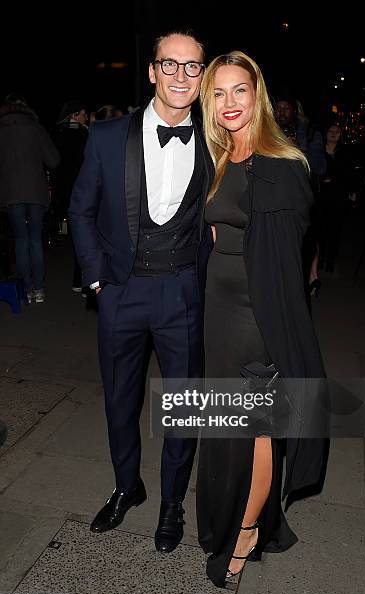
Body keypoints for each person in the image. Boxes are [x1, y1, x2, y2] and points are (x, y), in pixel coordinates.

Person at [69, 30, 213, 553]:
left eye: (191, 67)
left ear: (202, 78)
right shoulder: (106, 136)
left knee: (185, 405)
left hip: (183, 294)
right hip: (121, 293)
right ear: (152, 71)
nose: (180, 75)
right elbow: (80, 210)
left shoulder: (217, 140)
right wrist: (96, 277)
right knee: (119, 401)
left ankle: (173, 501)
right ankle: (128, 486)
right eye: (169, 65)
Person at [196, 51, 329, 588]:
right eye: (219, 93)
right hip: (219, 311)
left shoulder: (283, 164)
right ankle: (234, 520)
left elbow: (286, 265)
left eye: (239, 91)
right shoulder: (223, 154)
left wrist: (279, 337)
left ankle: (248, 531)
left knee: (256, 432)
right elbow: (218, 236)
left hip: (257, 317)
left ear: (259, 95)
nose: (229, 102)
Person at [0, 93, 60, 303]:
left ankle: (24, 289)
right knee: (35, 239)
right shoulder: (35, 128)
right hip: (35, 191)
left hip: (11, 193)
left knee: (20, 239)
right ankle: (39, 289)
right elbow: (53, 160)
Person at [54, 100, 89, 293]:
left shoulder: (58, 135)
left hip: (68, 193)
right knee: (86, 237)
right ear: (73, 116)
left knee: (78, 236)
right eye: (82, 113)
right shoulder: (85, 135)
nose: (85, 116)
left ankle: (79, 280)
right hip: (84, 193)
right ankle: (83, 281)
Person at [317, 122, 358, 274]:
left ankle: (330, 260)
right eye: (331, 130)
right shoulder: (318, 150)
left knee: (335, 231)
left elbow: (350, 174)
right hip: (320, 196)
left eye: (337, 131)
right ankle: (319, 259)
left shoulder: (344, 153)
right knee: (320, 230)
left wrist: (352, 191)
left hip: (338, 197)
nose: (334, 133)